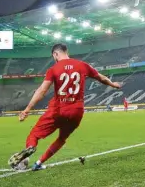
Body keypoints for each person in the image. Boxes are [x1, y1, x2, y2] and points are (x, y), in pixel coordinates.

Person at [8, 43, 121, 171]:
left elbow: (42, 91)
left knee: (34, 135)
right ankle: (39, 163)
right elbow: (101, 78)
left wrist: (27, 109)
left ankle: (31, 147)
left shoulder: (53, 69)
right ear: (66, 52)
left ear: (55, 54)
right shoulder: (83, 65)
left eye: (54, 56)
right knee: (62, 139)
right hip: (77, 111)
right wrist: (114, 85)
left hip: (58, 109)